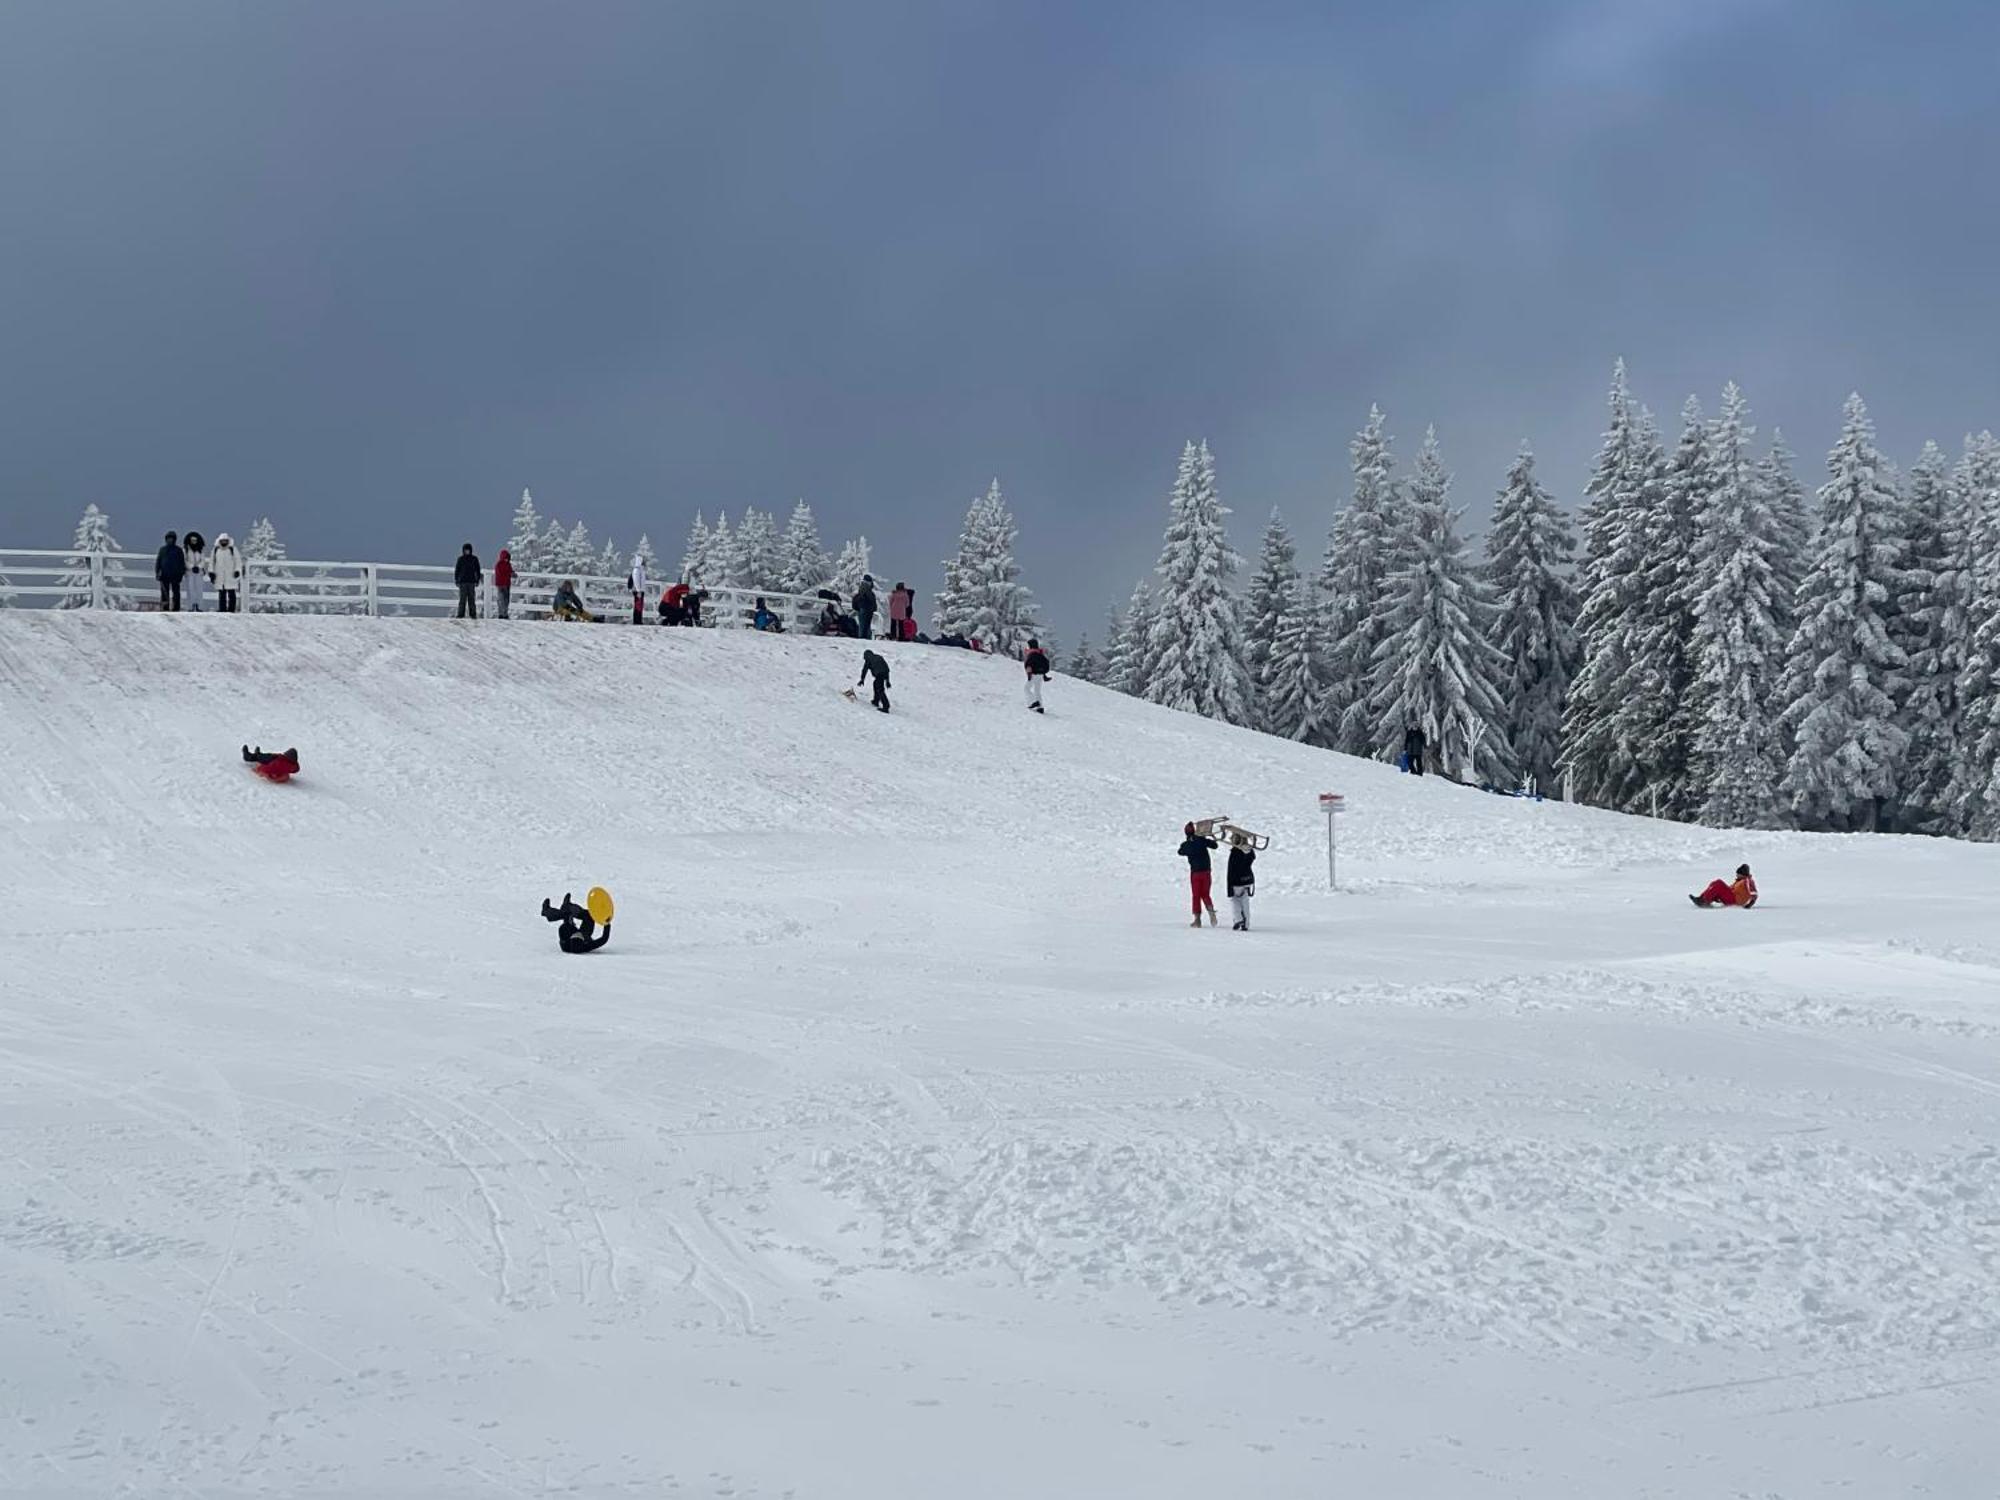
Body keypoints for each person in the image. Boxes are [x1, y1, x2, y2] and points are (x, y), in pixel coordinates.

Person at [1177, 822, 1219, 928]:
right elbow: (1215, 845)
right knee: (1205, 894)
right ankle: (1212, 913)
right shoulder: (1201, 840)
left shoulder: (1186, 845)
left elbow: (1180, 852)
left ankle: (1197, 920)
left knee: (1196, 896)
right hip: (1206, 871)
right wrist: (1207, 838)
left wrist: (1189, 842)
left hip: (1195, 873)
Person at [540, 894, 611, 954]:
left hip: (570, 933)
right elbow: (604, 939)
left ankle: (548, 912)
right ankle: (567, 907)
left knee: (566, 915)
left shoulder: (565, 942)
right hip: (585, 935)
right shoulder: (586, 946)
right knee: (589, 915)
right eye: (579, 935)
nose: (578, 932)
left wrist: (568, 920)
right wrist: (607, 923)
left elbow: (564, 927)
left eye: (577, 934)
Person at [1691, 864, 1759, 909]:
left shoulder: (1747, 881)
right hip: (1733, 898)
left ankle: (1704, 901)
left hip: (1736, 900)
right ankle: (1702, 898)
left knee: (1719, 883)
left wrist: (1751, 903)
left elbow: (1754, 892)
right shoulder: (1739, 881)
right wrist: (1717, 896)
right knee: (1715, 883)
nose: (1736, 875)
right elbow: (1728, 890)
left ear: (1743, 874)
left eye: (1738, 874)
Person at [1226, 833, 1257, 931]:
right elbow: (1252, 857)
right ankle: (1246, 924)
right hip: (1247, 879)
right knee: (1245, 902)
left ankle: (1238, 919)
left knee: (1234, 900)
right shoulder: (1249, 850)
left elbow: (1231, 870)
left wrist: (1229, 887)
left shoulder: (1235, 852)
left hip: (1236, 881)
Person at [209, 533, 243, 613]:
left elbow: (238, 561)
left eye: (225, 541)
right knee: (222, 594)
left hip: (230, 575)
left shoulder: (232, 549)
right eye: (222, 541)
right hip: (220, 575)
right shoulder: (216, 550)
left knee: (231, 593)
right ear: (219, 541)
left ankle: (231, 610)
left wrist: (237, 570)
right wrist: (211, 572)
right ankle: (222, 610)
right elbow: (212, 562)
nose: (224, 542)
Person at [155, 531, 186, 613]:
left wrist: (181, 574)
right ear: (166, 539)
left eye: (171, 539)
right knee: (164, 593)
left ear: (174, 540)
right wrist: (157, 572)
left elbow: (182, 563)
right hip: (164, 575)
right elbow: (158, 562)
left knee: (176, 593)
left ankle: (176, 608)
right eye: (168, 538)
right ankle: (165, 608)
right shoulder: (162, 550)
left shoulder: (178, 550)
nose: (170, 540)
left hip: (175, 575)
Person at [453, 543, 482, 619]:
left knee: (471, 599)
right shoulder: (460, 559)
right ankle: (460, 614)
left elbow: (478, 570)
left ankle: (473, 614)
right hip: (462, 582)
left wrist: (477, 579)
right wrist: (456, 580)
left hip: (471, 581)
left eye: (468, 550)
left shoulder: (474, 559)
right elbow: (457, 570)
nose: (467, 551)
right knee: (462, 599)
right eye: (466, 550)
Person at [1023, 638, 1052, 713]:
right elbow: (1045, 664)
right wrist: (1044, 675)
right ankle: (1040, 707)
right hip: (1041, 675)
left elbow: (1028, 665)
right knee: (1037, 690)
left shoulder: (1031, 654)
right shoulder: (1040, 654)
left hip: (1034, 674)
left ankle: (1034, 701)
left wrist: (1029, 675)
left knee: (1026, 688)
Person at [182, 531, 207, 612]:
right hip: (189, 572)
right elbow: (185, 560)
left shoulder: (201, 550)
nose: (194, 542)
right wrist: (191, 567)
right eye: (192, 540)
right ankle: (190, 606)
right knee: (190, 589)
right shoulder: (186, 549)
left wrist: (199, 567)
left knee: (199, 589)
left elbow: (203, 560)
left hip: (199, 572)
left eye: (195, 540)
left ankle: (199, 606)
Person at [854, 575, 878, 640]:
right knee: (866, 625)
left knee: (862, 624)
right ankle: (865, 638)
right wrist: (874, 607)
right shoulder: (867, 589)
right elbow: (871, 599)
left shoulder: (861, 588)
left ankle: (862, 637)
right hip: (867, 609)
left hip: (862, 609)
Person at [628, 551, 648, 625]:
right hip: (638, 591)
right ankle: (637, 620)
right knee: (638, 606)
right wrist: (639, 590)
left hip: (639, 590)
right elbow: (636, 581)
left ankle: (638, 620)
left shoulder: (640, 570)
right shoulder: (637, 570)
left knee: (639, 606)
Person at [494, 548, 514, 619]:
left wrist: (513, 574)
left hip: (507, 584)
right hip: (500, 584)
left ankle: (505, 614)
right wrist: (508, 574)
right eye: (505, 558)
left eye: (507, 558)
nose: (506, 559)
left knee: (506, 600)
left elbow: (510, 571)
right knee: (501, 599)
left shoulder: (508, 565)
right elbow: (500, 574)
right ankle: (501, 614)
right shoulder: (498, 565)